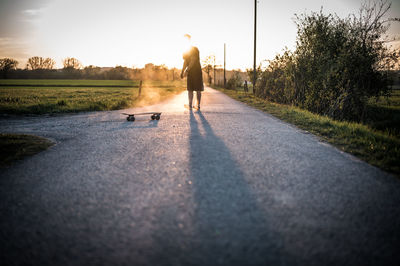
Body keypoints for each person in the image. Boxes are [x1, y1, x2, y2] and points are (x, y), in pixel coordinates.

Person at [181, 37, 204, 109]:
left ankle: (198, 105)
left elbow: (193, 60)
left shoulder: (195, 49)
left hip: (197, 72)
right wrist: (182, 71)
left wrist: (186, 71)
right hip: (190, 73)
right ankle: (190, 105)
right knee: (190, 89)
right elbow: (185, 62)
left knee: (198, 89)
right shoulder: (185, 51)